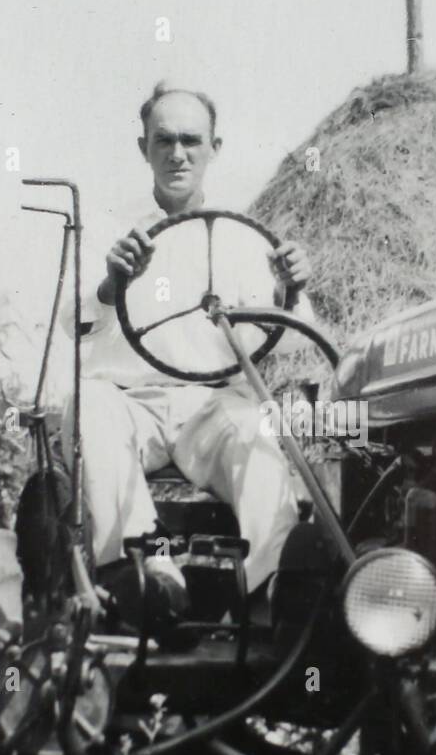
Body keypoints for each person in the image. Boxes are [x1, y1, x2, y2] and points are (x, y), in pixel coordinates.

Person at [61, 81, 315, 620]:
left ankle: (272, 597)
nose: (177, 154)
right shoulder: (109, 228)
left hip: (211, 407)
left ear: (214, 148)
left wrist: (290, 289)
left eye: (191, 141)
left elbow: (289, 339)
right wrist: (110, 284)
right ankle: (147, 574)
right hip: (131, 405)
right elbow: (72, 325)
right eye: (163, 140)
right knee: (88, 403)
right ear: (143, 148)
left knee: (261, 434)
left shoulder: (246, 238)